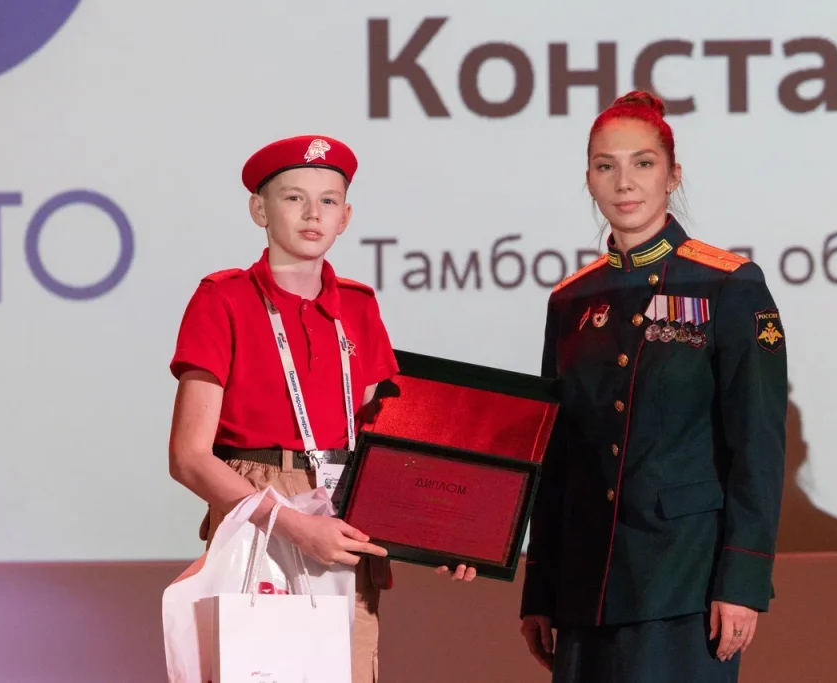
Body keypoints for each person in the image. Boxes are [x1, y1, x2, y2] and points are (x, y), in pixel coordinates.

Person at [167, 134, 472, 683]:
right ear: (259, 209)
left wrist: (444, 534)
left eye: (329, 200)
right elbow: (189, 457)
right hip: (258, 505)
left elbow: (386, 442)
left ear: (345, 216)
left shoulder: (358, 305)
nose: (313, 214)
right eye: (293, 198)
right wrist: (293, 525)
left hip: (345, 505)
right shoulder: (222, 299)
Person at [518, 92, 788, 682]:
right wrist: (539, 586)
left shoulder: (728, 284)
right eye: (605, 166)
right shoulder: (571, 299)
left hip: (684, 581)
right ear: (588, 179)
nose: (624, 182)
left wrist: (743, 580)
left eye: (643, 163)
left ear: (673, 175)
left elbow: (758, 447)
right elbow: (556, 457)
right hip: (585, 584)